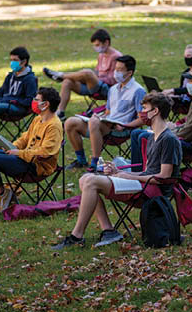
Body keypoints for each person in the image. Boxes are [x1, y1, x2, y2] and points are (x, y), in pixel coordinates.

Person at [52, 92, 181, 249]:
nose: (141, 113)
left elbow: (163, 177)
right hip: (146, 185)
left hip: (154, 192)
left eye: (145, 108)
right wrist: (118, 171)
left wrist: (127, 176)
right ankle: (108, 231)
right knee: (85, 178)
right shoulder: (153, 136)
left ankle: (77, 236)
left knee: (91, 182)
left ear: (155, 111)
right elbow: (147, 172)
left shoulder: (168, 140)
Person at [0, 87, 63, 218]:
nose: (34, 102)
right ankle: (2, 193)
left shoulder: (54, 125)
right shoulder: (38, 119)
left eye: (36, 100)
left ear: (46, 104)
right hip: (24, 158)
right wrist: (10, 147)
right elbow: (25, 138)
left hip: (36, 166)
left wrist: (18, 153)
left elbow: (45, 152)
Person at [63, 55, 146, 172]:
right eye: (115, 69)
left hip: (121, 129)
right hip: (106, 124)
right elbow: (108, 112)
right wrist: (100, 116)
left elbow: (142, 118)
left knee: (94, 122)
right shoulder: (113, 89)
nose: (116, 72)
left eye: (120, 70)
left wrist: (126, 126)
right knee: (70, 122)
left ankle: (94, 163)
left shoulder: (138, 91)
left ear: (129, 73)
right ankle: (81, 161)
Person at [131, 67, 192, 171]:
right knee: (136, 133)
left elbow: (188, 133)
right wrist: (172, 127)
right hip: (183, 137)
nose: (187, 84)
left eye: (191, 81)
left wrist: (168, 130)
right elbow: (188, 124)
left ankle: (145, 173)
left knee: (144, 136)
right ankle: (137, 171)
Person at [42, 28, 122, 119]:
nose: (96, 47)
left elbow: (115, 79)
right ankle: (60, 112)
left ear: (106, 42)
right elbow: (97, 71)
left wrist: (92, 76)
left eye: (97, 45)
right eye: (95, 45)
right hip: (94, 86)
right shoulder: (101, 55)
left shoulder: (116, 56)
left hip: (108, 89)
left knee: (87, 72)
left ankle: (61, 75)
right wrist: (88, 77)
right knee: (67, 82)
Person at [161, 44, 192, 114]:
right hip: (181, 101)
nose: (186, 58)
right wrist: (173, 95)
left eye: (188, 56)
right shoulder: (186, 72)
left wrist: (172, 90)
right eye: (185, 56)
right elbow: (182, 89)